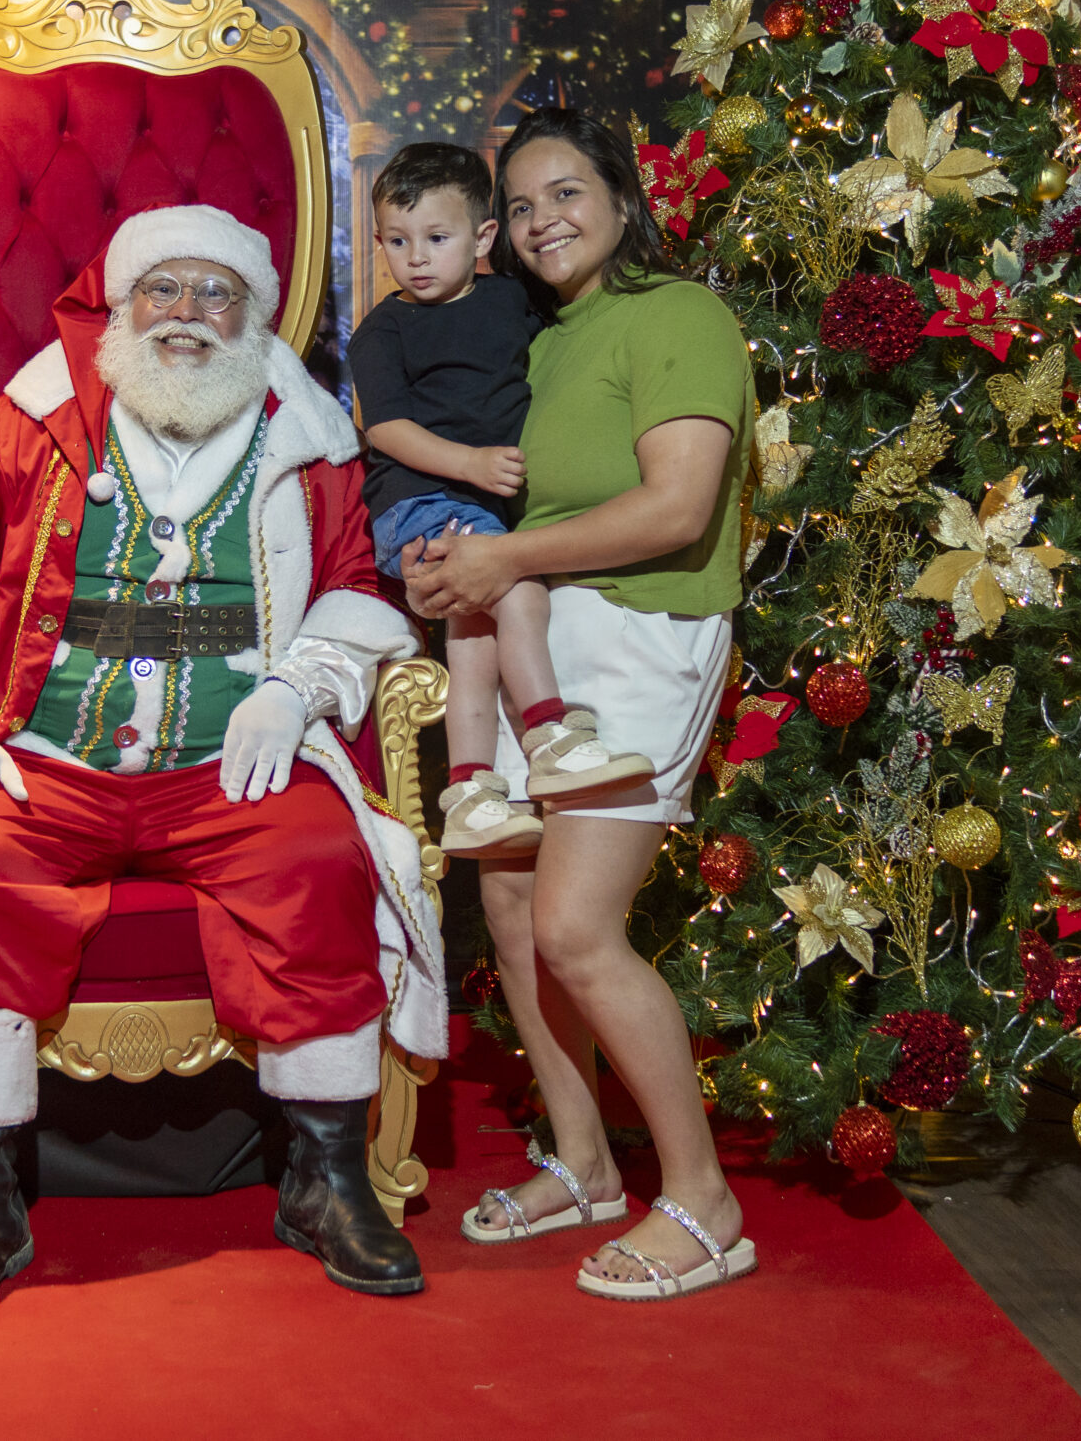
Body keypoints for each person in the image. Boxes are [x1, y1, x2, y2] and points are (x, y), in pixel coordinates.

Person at [0, 203, 441, 1330]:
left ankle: (325, 1181)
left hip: (229, 768)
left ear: (252, 314)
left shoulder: (307, 437)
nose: (186, 315)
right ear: (120, 307)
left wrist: (297, 687)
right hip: (49, 757)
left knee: (319, 857)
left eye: (214, 293)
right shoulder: (28, 422)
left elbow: (350, 584)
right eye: (162, 290)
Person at [404, 106, 757, 1300]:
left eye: (564, 192)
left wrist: (504, 561)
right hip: (543, 642)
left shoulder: (678, 316)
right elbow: (521, 515)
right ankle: (586, 1162)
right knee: (509, 912)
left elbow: (678, 509)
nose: (540, 220)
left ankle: (704, 1202)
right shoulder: (546, 341)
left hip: (644, 635)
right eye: (518, 206)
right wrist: (457, 566)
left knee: (574, 929)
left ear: (620, 197)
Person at [348, 142, 654, 858]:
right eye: (398, 241)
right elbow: (386, 427)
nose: (416, 259)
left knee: (474, 642)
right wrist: (471, 463)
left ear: (483, 237)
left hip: (478, 505)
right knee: (518, 592)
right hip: (420, 497)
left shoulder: (511, 301)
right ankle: (549, 735)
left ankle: (470, 792)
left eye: (436, 238)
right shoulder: (382, 331)